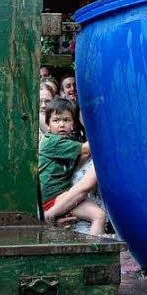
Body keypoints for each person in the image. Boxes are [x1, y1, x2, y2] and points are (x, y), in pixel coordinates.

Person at [39, 99, 105, 235]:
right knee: (98, 216)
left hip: (56, 195)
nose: (61, 125)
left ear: (73, 124)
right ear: (48, 124)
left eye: (66, 120)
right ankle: (94, 252)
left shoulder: (66, 142)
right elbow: (86, 149)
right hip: (53, 196)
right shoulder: (52, 142)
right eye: (56, 120)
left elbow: (81, 158)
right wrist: (108, 136)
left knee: (98, 216)